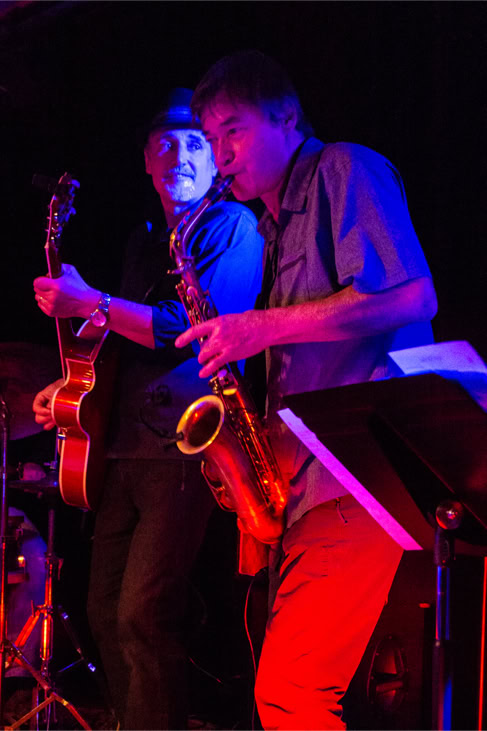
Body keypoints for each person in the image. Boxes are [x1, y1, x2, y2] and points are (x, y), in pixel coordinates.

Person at [175, 52, 438, 730]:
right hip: (308, 487)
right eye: (211, 138)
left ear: (288, 117)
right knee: (283, 699)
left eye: (234, 130)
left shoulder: (342, 169)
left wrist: (259, 328)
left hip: (360, 478)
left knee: (292, 696)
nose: (220, 155)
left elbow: (412, 295)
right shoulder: (271, 230)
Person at [32, 88, 263, 730]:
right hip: (123, 447)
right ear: (145, 161)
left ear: (214, 160)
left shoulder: (233, 226)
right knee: (104, 610)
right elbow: (123, 336)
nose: (179, 157)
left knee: (143, 613)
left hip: (184, 449)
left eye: (194, 143)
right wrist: (69, 382)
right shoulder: (145, 239)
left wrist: (93, 302)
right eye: (165, 144)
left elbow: (182, 329)